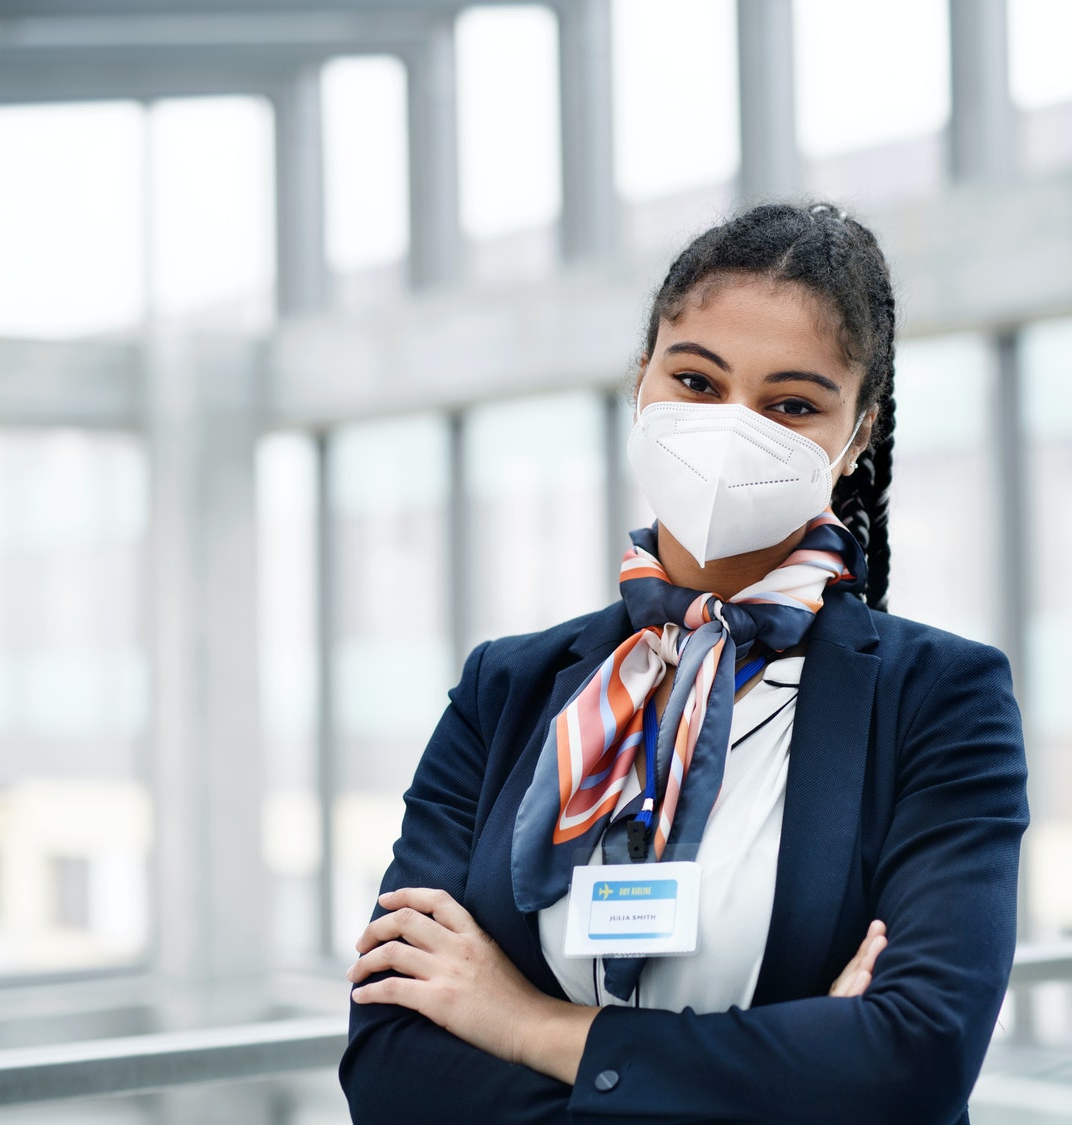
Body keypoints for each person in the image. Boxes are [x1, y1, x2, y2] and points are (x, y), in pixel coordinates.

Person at [339, 201, 1029, 1124]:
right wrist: (797, 1071)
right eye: (698, 382)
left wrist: (525, 1021)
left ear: (856, 437)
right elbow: (392, 1064)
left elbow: (914, 1060)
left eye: (791, 404)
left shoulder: (939, 701)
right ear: (641, 384)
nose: (732, 426)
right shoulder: (504, 691)